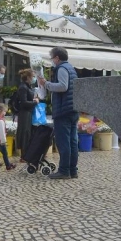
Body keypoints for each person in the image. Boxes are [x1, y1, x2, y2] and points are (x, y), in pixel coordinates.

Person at [38, 46, 78, 179]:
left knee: (64, 142)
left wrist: (46, 83)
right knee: (72, 141)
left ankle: (64, 171)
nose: (52, 61)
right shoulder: (71, 68)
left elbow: (63, 86)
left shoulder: (62, 69)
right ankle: (73, 170)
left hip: (63, 111)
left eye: (52, 58)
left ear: (57, 58)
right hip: (72, 109)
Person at [15, 68, 40, 158]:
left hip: (28, 112)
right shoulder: (23, 87)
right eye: (33, 76)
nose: (34, 78)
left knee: (28, 132)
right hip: (24, 113)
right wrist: (35, 102)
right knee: (25, 132)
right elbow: (24, 102)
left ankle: (26, 153)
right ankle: (24, 155)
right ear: (28, 77)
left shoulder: (27, 86)